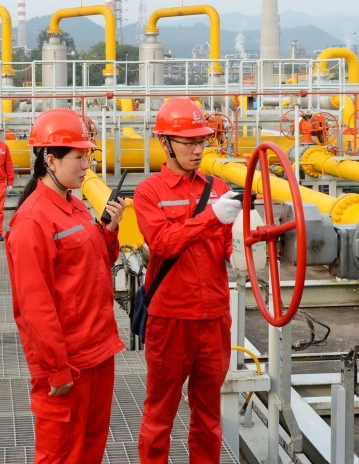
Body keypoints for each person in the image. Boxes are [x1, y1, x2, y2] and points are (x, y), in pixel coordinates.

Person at [5, 108, 127, 464]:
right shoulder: (32, 220)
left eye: (88, 155)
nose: (86, 165)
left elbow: (95, 264)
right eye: (79, 156)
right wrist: (55, 368)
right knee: (61, 456)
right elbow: (34, 305)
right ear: (50, 160)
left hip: (99, 351)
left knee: (90, 451)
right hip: (69, 364)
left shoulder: (74, 205)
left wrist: (109, 230)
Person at [133, 97, 243, 464]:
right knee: (160, 413)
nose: (198, 150)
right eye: (189, 143)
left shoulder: (218, 186)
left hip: (213, 317)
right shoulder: (150, 192)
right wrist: (212, 216)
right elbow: (162, 243)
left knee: (209, 417)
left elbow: (229, 246)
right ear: (165, 144)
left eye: (202, 141)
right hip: (171, 319)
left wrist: (250, 242)